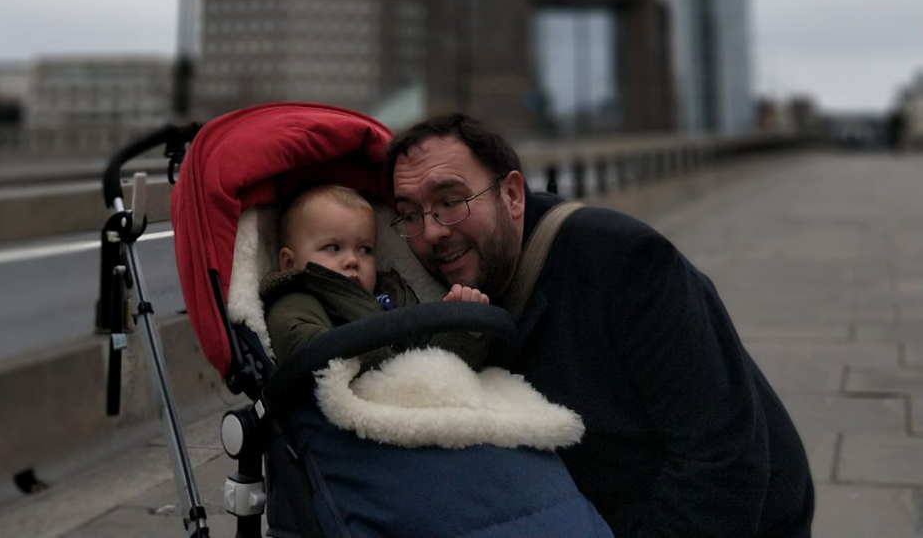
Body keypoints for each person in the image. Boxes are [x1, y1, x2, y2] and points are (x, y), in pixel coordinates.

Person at [387, 115, 814, 538]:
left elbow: (723, 460)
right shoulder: (453, 309)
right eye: (409, 215)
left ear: (513, 195)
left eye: (450, 201)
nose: (430, 232)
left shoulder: (623, 262)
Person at [260, 182, 489, 365]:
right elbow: (314, 357)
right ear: (290, 263)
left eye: (365, 250)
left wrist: (463, 329)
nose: (352, 260)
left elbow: (434, 355)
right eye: (333, 248)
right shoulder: (294, 304)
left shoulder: (391, 295)